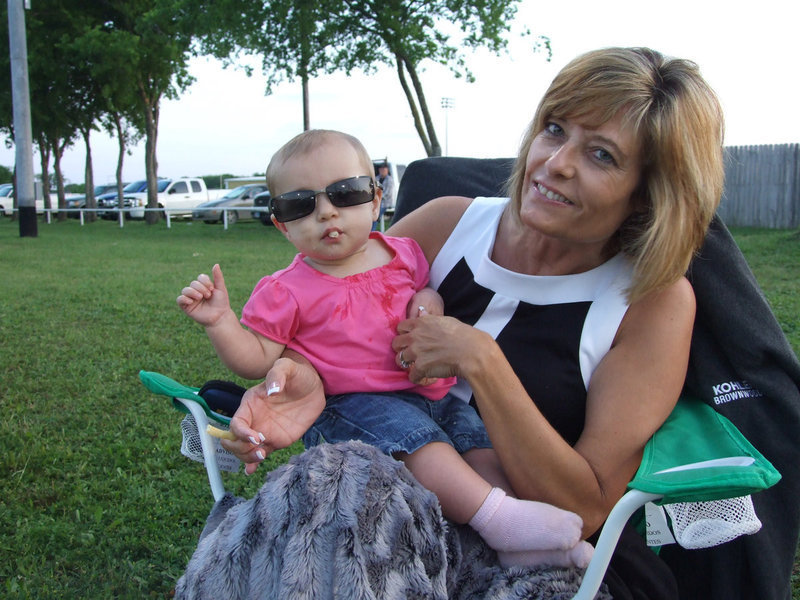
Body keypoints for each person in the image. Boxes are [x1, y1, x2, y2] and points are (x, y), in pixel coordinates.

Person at [221, 47, 725, 600]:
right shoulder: (447, 225)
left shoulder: (649, 301)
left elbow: (585, 507)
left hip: (548, 550)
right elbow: (329, 316)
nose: (556, 162)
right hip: (387, 511)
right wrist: (304, 376)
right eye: (554, 129)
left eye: (602, 155)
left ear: (648, 192)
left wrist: (482, 361)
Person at [177, 129, 593, 568]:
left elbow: (426, 294)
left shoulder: (405, 253)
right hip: (354, 406)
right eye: (301, 204)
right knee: (426, 450)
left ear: (376, 200)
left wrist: (428, 306)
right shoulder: (285, 290)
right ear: (282, 224)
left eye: (346, 193)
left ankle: (520, 542)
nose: (326, 213)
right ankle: (500, 520)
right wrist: (221, 321)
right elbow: (255, 358)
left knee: (477, 443)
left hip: (430, 393)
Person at [373, 160, 394, 230]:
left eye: (384, 169)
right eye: (381, 169)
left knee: (376, 213)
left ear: (387, 170)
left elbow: (387, 193)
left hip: (385, 203)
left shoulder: (389, 180)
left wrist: (378, 197)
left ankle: (372, 231)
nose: (382, 171)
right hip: (377, 201)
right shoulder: (377, 178)